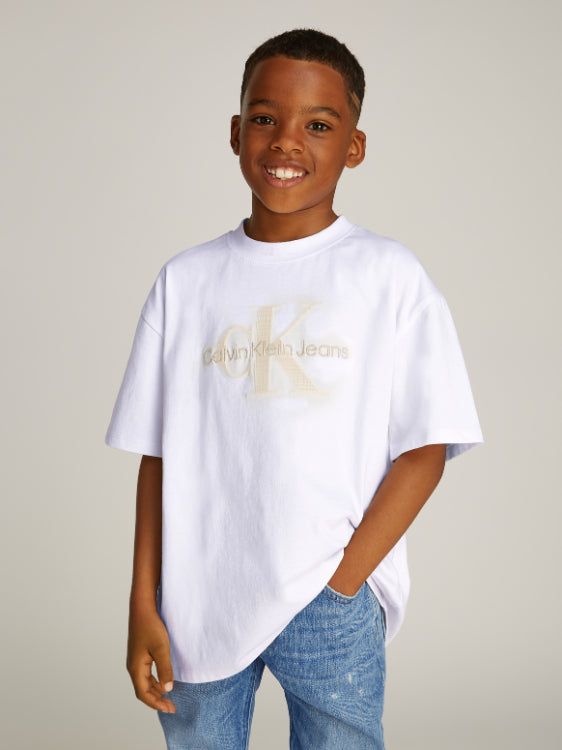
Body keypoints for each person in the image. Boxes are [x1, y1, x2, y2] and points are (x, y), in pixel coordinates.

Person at [105, 28, 483, 750]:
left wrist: (345, 582)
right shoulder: (185, 282)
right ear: (235, 132)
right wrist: (142, 603)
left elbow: (426, 448)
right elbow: (158, 458)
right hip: (200, 598)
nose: (285, 141)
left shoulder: (388, 276)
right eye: (264, 117)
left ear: (355, 146)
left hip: (328, 596)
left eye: (318, 125)